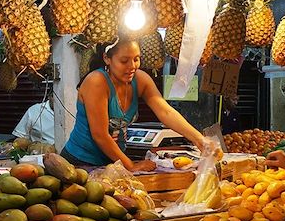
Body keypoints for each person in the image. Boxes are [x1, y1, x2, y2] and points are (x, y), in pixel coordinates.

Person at [62, 38, 205, 171]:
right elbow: (100, 135)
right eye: (124, 61)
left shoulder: (141, 79)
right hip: (79, 163)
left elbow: (165, 112)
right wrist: (131, 166)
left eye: (136, 59)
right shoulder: (96, 82)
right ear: (107, 59)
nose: (132, 66)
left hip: (112, 165)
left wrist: (199, 139)